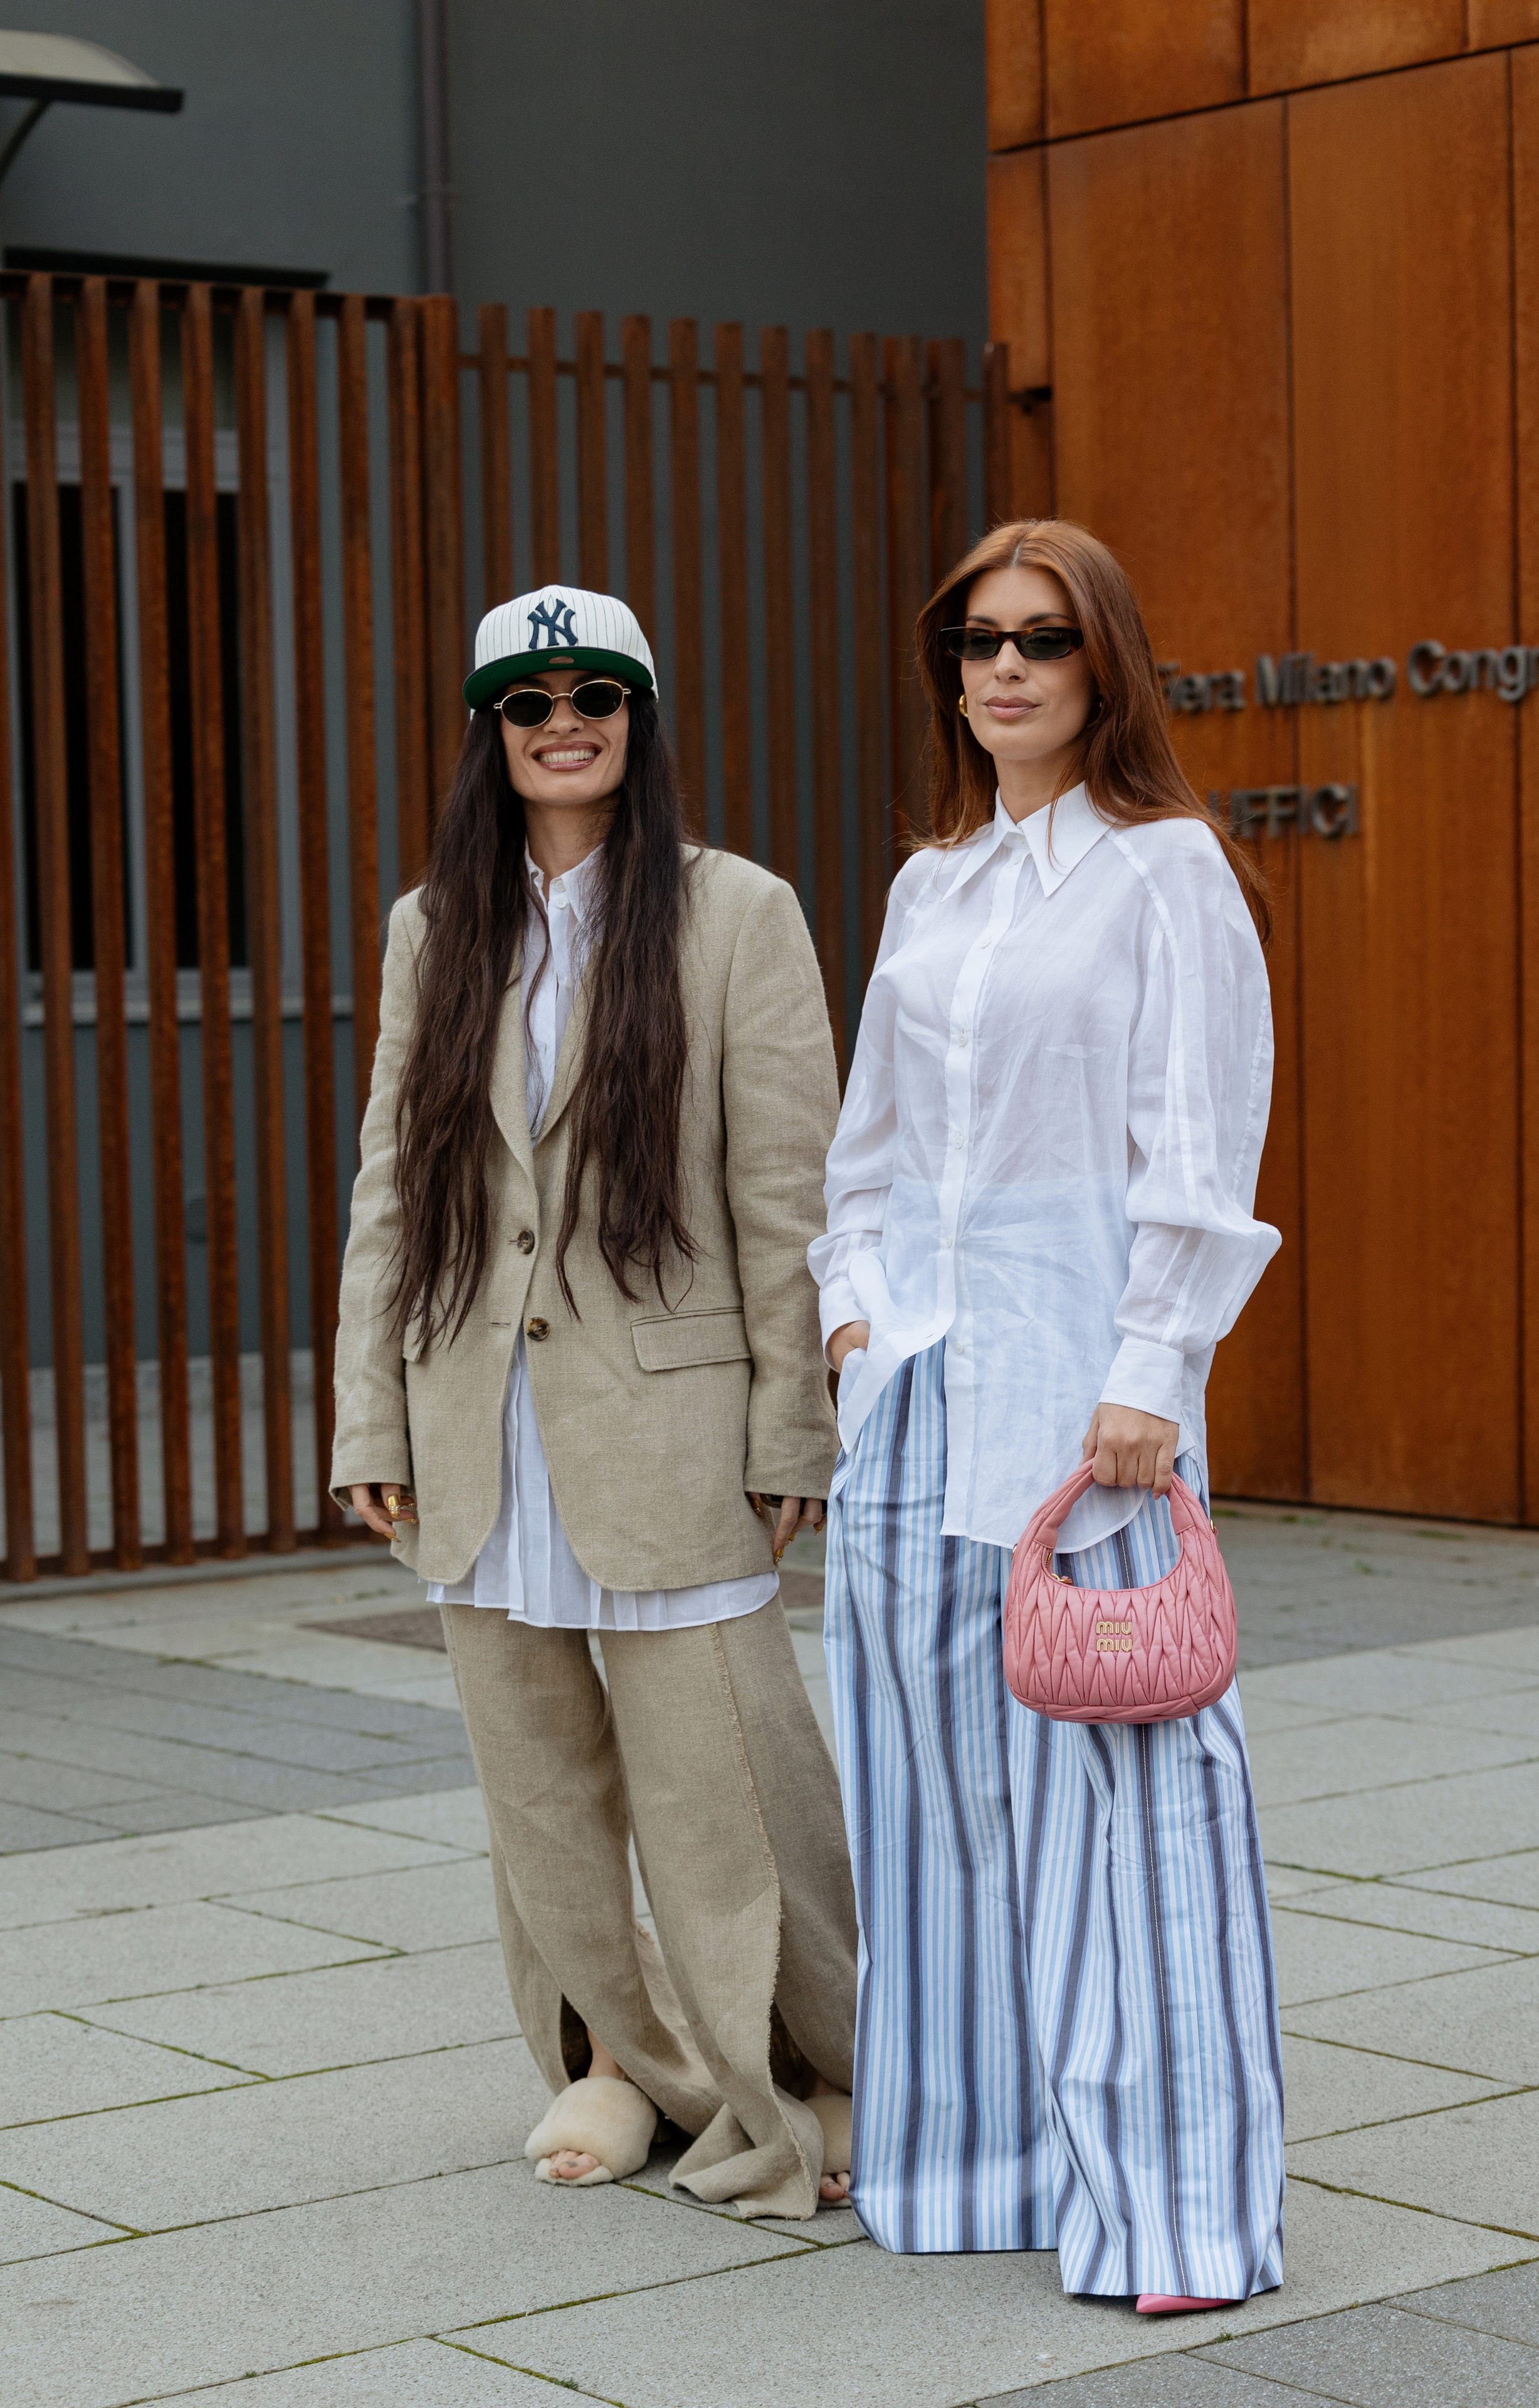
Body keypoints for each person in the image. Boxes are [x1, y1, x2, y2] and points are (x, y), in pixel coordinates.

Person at [332, 584, 856, 2217]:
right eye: (529, 700)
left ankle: (808, 2089)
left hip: (668, 1430)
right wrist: (371, 1417)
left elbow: (789, 1196)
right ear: (490, 734)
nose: (566, 721)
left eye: (597, 694)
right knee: (544, 1808)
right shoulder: (440, 925)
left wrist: (793, 1434)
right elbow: (391, 1191)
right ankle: (622, 2070)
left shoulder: (735, 914)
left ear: (639, 717)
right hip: (479, 1425)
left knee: (729, 1810)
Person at [812, 521, 1285, 2307]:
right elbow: (865, 1160)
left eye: (1044, 641)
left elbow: (1203, 1141)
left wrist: (1156, 1372)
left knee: (1128, 1803)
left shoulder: (1165, 873)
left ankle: (1174, 2212)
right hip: (919, 1403)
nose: (1005, 669)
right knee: (931, 1811)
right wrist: (858, 1331)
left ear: (1106, 667)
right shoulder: (929, 887)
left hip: (1087, 1419)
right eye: (976, 642)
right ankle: (968, 2174)